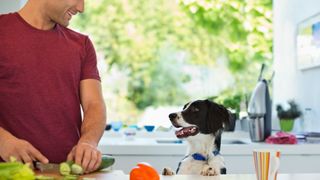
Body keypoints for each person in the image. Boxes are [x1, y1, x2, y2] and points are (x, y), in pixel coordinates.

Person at [0, 0, 107, 174]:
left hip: (67, 174)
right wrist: (2, 141)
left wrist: (89, 141)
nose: (81, 8)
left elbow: (94, 104)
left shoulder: (82, 45)